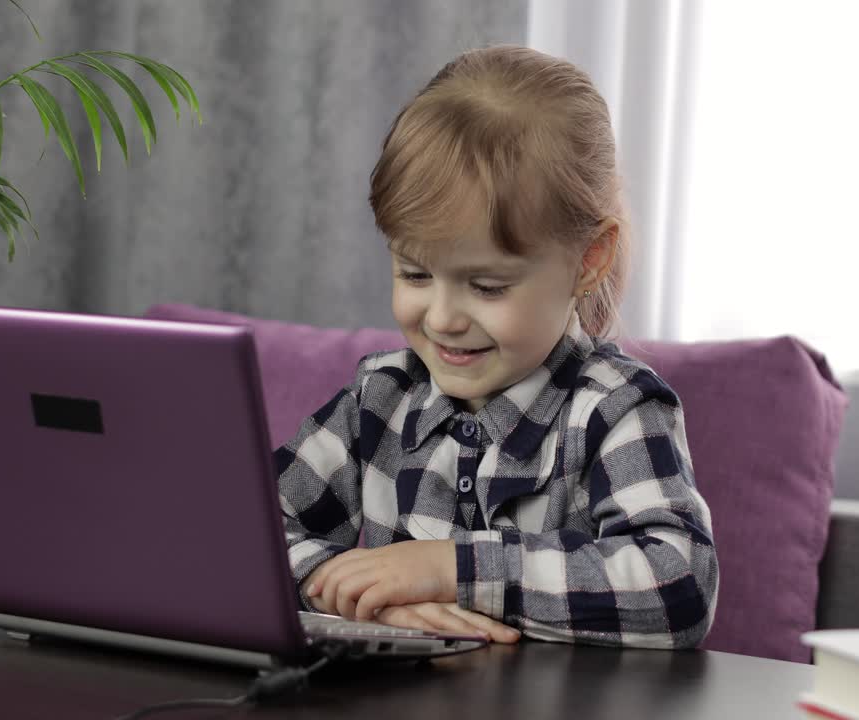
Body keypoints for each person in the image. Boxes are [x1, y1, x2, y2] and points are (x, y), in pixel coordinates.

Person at [276, 45, 718, 649]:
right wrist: (347, 590)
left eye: (486, 286)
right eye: (414, 274)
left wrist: (451, 568)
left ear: (589, 259)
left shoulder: (615, 411)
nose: (442, 318)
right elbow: (241, 530)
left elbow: (679, 585)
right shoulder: (379, 398)